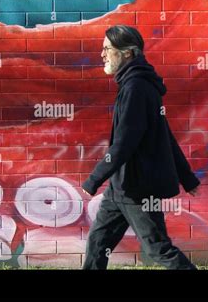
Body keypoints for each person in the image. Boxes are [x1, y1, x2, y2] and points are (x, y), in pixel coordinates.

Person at [82, 25, 200, 270]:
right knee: (97, 243)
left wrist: (93, 180)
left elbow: (124, 142)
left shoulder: (136, 88)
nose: (102, 54)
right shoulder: (135, 85)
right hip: (120, 187)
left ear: (126, 53)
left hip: (136, 188)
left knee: (157, 248)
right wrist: (187, 178)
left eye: (107, 49)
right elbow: (164, 135)